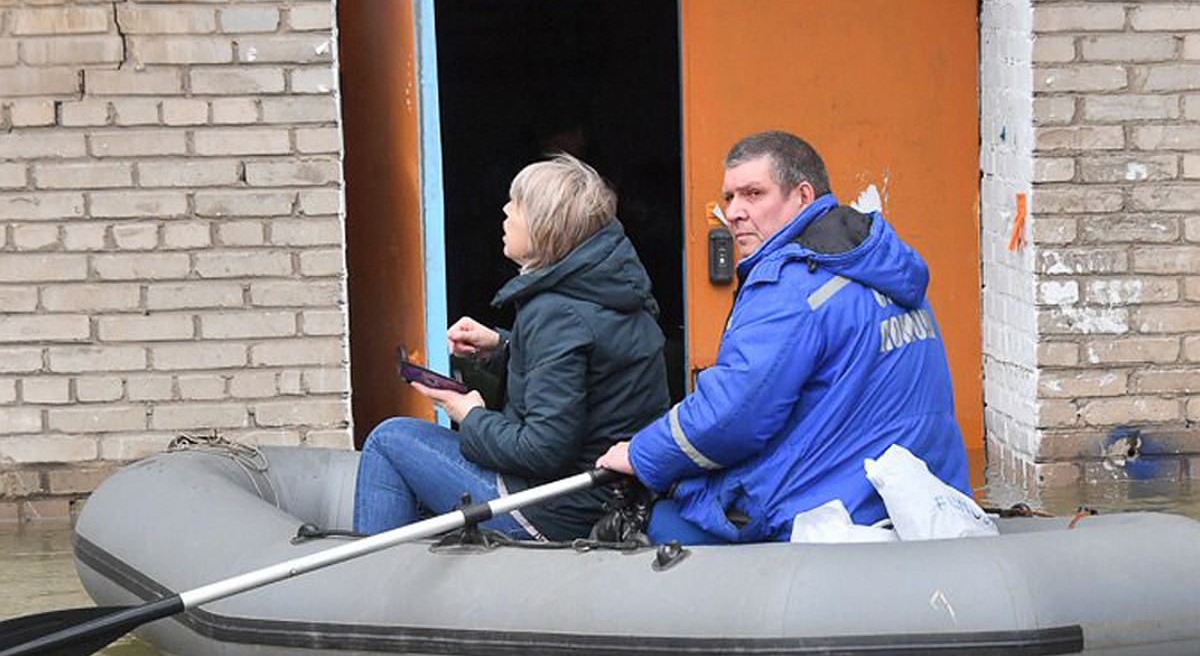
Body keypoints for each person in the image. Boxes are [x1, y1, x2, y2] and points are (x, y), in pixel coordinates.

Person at [597, 130, 969, 545]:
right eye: (729, 198)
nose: (735, 212)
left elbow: (733, 416)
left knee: (660, 521)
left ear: (802, 196)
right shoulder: (883, 267)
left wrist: (641, 454)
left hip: (838, 511)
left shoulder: (791, 287)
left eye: (754, 194)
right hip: (916, 501)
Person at [354, 153, 671, 540]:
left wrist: (469, 414)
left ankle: (368, 590)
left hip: (555, 508)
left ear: (544, 226)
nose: (505, 210)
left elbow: (542, 450)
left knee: (388, 440)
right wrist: (502, 345)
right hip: (616, 500)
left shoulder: (555, 313)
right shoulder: (613, 290)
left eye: (517, 204)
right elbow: (591, 361)